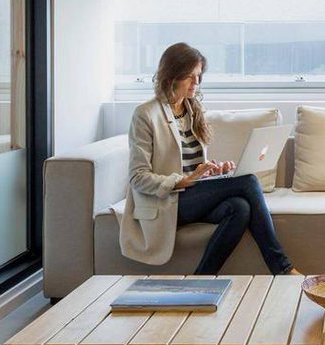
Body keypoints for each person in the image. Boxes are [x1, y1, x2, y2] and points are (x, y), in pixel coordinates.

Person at [118, 42, 297, 275]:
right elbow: (137, 177)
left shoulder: (193, 110)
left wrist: (214, 172)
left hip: (192, 194)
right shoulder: (145, 114)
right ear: (171, 76)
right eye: (190, 76)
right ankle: (282, 268)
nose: (196, 82)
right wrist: (182, 181)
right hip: (167, 201)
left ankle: (200, 279)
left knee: (240, 208)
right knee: (249, 182)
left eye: (199, 76)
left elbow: (193, 167)